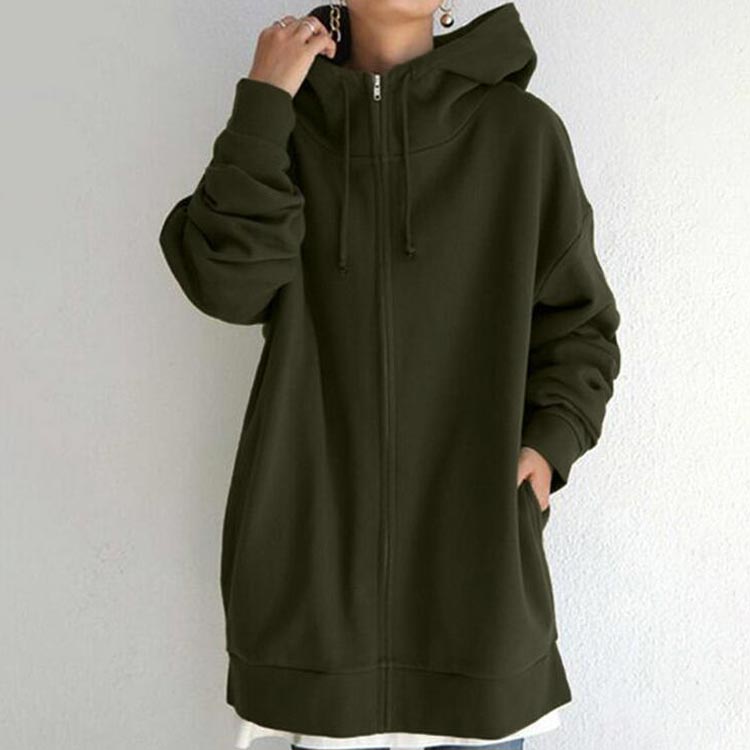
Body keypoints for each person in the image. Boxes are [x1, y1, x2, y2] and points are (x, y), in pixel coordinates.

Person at [158, 2, 622, 749]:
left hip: (477, 587)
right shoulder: (284, 129)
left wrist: (550, 443)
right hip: (314, 592)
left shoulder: (521, 134)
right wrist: (264, 103)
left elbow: (580, 325)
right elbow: (226, 285)